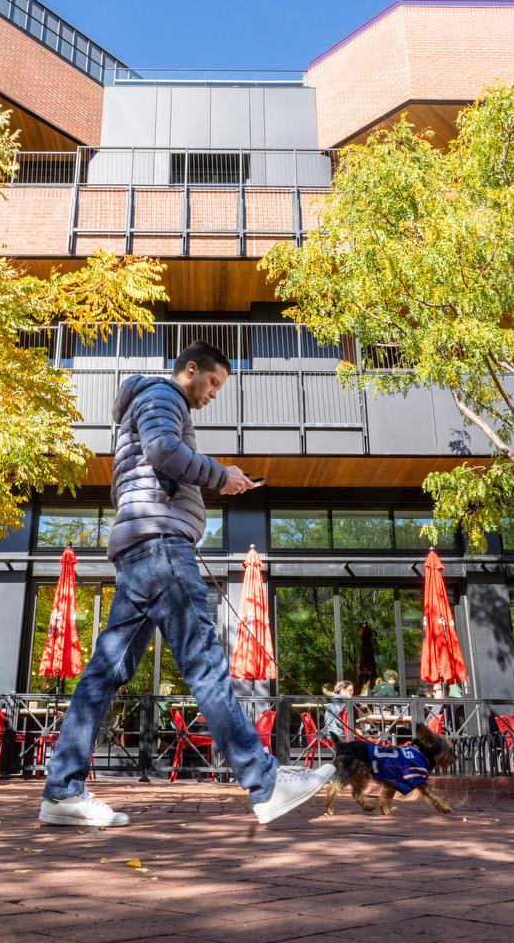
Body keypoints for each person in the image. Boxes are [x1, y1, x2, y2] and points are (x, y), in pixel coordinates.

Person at [39, 340, 335, 827]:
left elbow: (159, 457)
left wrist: (216, 478)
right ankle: (265, 783)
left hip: (140, 548)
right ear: (190, 369)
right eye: (214, 382)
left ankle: (61, 792)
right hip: (160, 547)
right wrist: (222, 475)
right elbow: (162, 450)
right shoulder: (162, 395)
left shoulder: (148, 401)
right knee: (205, 666)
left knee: (103, 675)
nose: (215, 393)